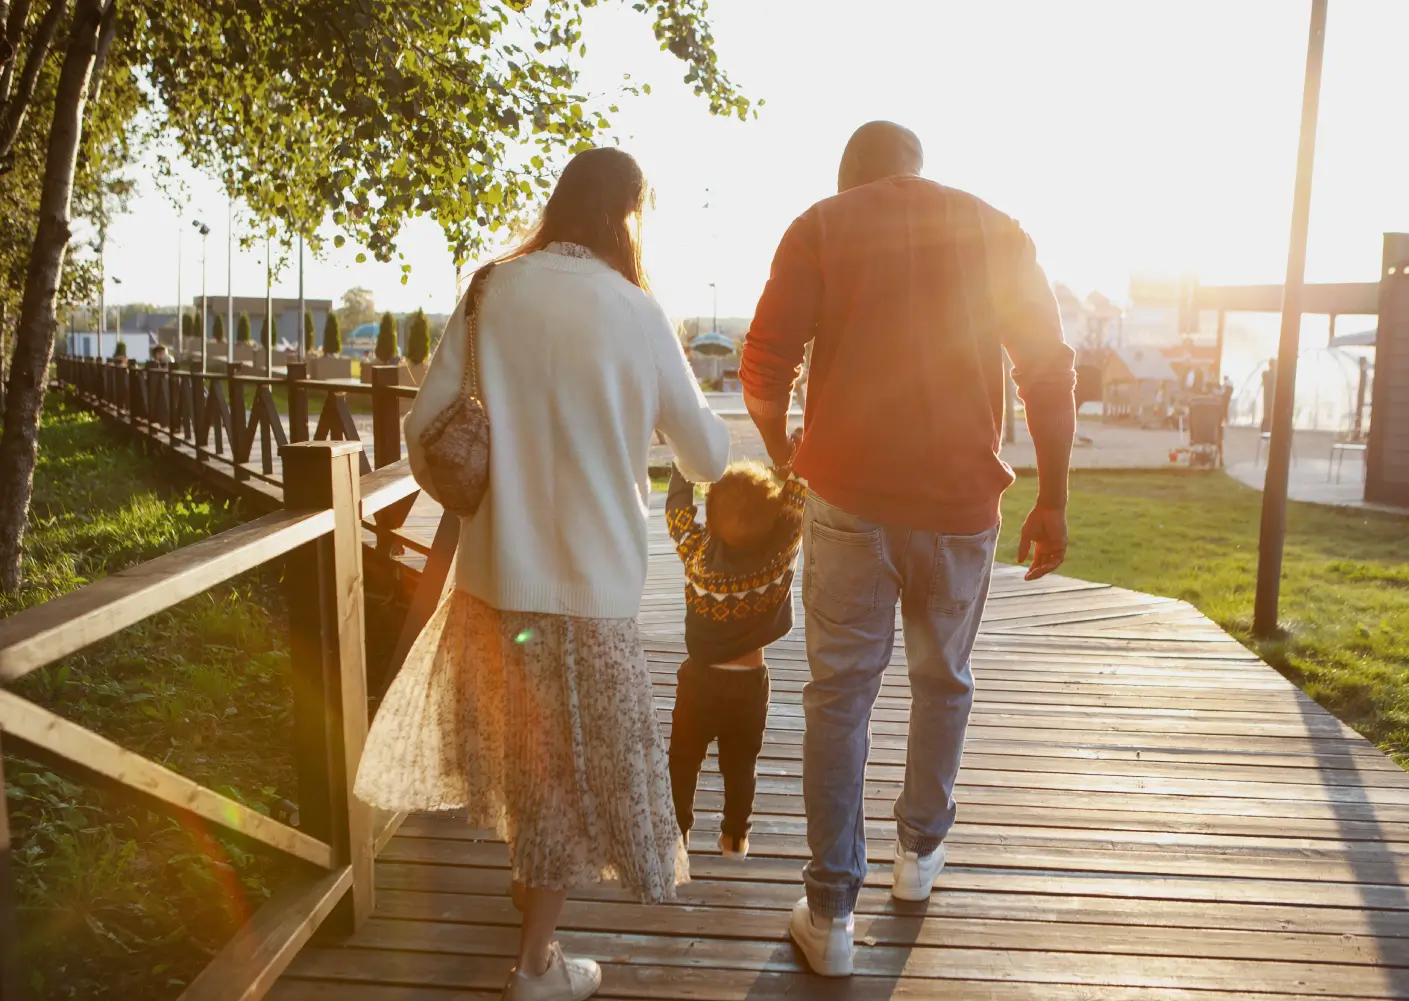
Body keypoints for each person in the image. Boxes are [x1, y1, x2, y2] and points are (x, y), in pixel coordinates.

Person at [355, 147, 730, 1001]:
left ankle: (536, 927)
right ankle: (534, 965)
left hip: (494, 581)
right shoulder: (638, 311)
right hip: (593, 594)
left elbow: (423, 432)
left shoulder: (494, 288)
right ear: (628, 213)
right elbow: (705, 455)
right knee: (558, 777)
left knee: (528, 767)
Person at [739, 121, 1076, 977]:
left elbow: (765, 357)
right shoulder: (995, 228)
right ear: (916, 168)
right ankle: (919, 858)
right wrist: (1054, 498)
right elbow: (1047, 370)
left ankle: (830, 915)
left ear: (851, 175)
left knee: (839, 696)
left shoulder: (822, 223)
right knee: (943, 679)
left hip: (849, 501)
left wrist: (781, 446)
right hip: (962, 509)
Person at [664, 433, 804, 860]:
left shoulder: (698, 554)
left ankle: (678, 833)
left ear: (711, 515)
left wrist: (683, 460)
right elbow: (797, 505)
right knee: (740, 764)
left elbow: (677, 512)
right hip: (748, 684)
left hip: (699, 682)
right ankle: (735, 838)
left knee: (683, 759)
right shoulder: (778, 554)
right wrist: (794, 460)